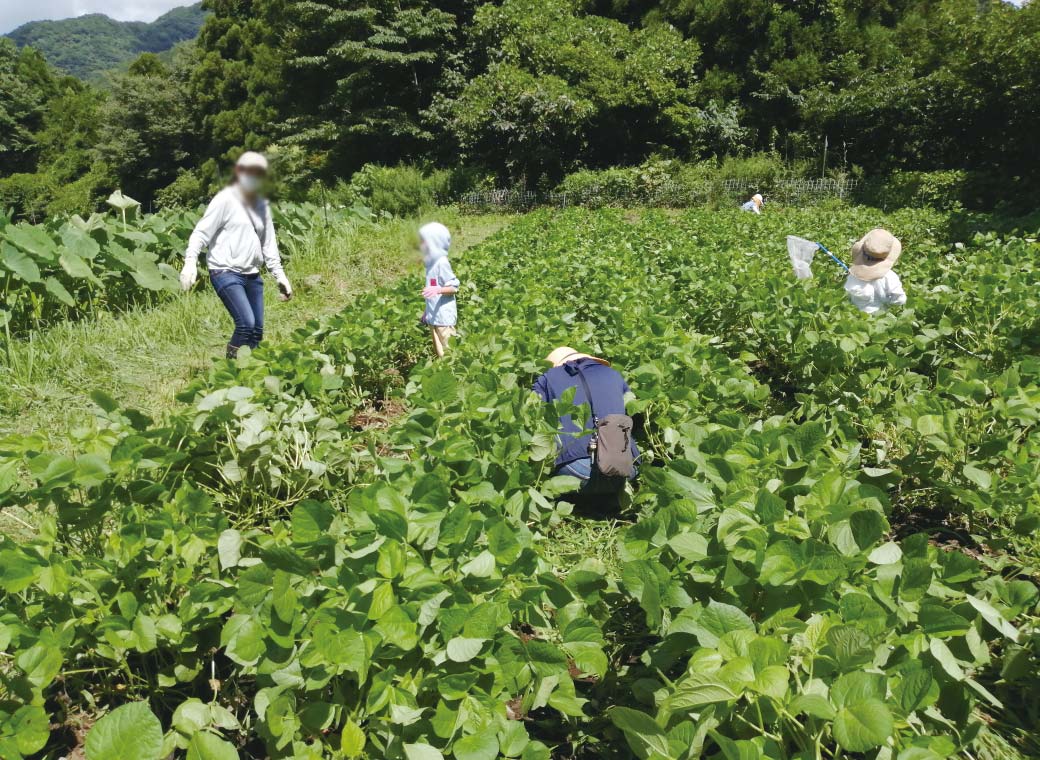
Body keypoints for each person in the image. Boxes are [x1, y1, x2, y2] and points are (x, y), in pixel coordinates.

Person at [179, 151, 293, 358]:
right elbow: (201, 233)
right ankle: (230, 369)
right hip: (224, 270)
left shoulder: (262, 205)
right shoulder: (224, 200)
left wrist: (280, 275)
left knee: (257, 331)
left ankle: (251, 375)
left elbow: (268, 243)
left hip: (252, 274)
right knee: (246, 324)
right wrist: (190, 262)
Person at [533, 347, 638, 498]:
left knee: (547, 426)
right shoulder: (613, 374)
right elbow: (633, 410)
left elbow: (532, 412)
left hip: (575, 470)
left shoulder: (547, 377)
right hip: (625, 468)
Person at [418, 222, 460, 358]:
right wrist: (427, 312)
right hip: (433, 317)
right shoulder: (430, 264)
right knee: (440, 352)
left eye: (424, 241)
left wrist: (439, 290)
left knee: (450, 352)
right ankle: (444, 373)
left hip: (444, 318)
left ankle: (456, 376)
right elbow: (432, 291)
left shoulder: (442, 262)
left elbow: (454, 288)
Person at [844, 228, 907, 314]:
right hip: (881, 318)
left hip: (855, 316)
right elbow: (900, 300)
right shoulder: (890, 277)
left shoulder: (852, 274)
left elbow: (846, 295)